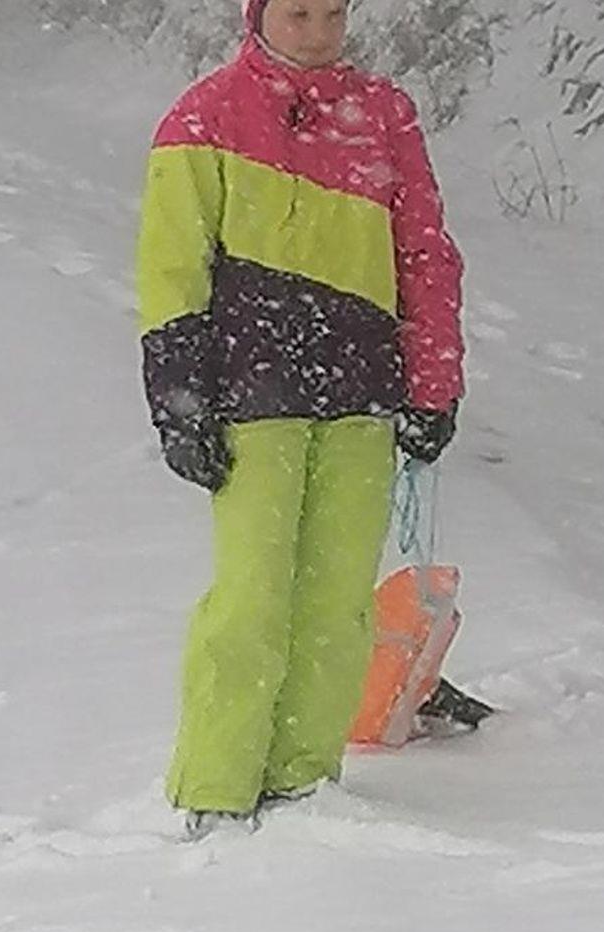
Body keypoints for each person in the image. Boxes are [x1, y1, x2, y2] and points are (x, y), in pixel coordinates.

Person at [136, 0, 464, 837]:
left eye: (332, 13)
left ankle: (303, 785)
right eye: (298, 13)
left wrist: (433, 385)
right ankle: (215, 787)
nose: (318, 32)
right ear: (258, 15)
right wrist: (180, 399)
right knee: (251, 597)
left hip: (361, 397)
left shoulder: (383, 115)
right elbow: (172, 267)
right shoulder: (205, 118)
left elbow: (423, 252)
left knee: (338, 605)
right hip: (254, 401)